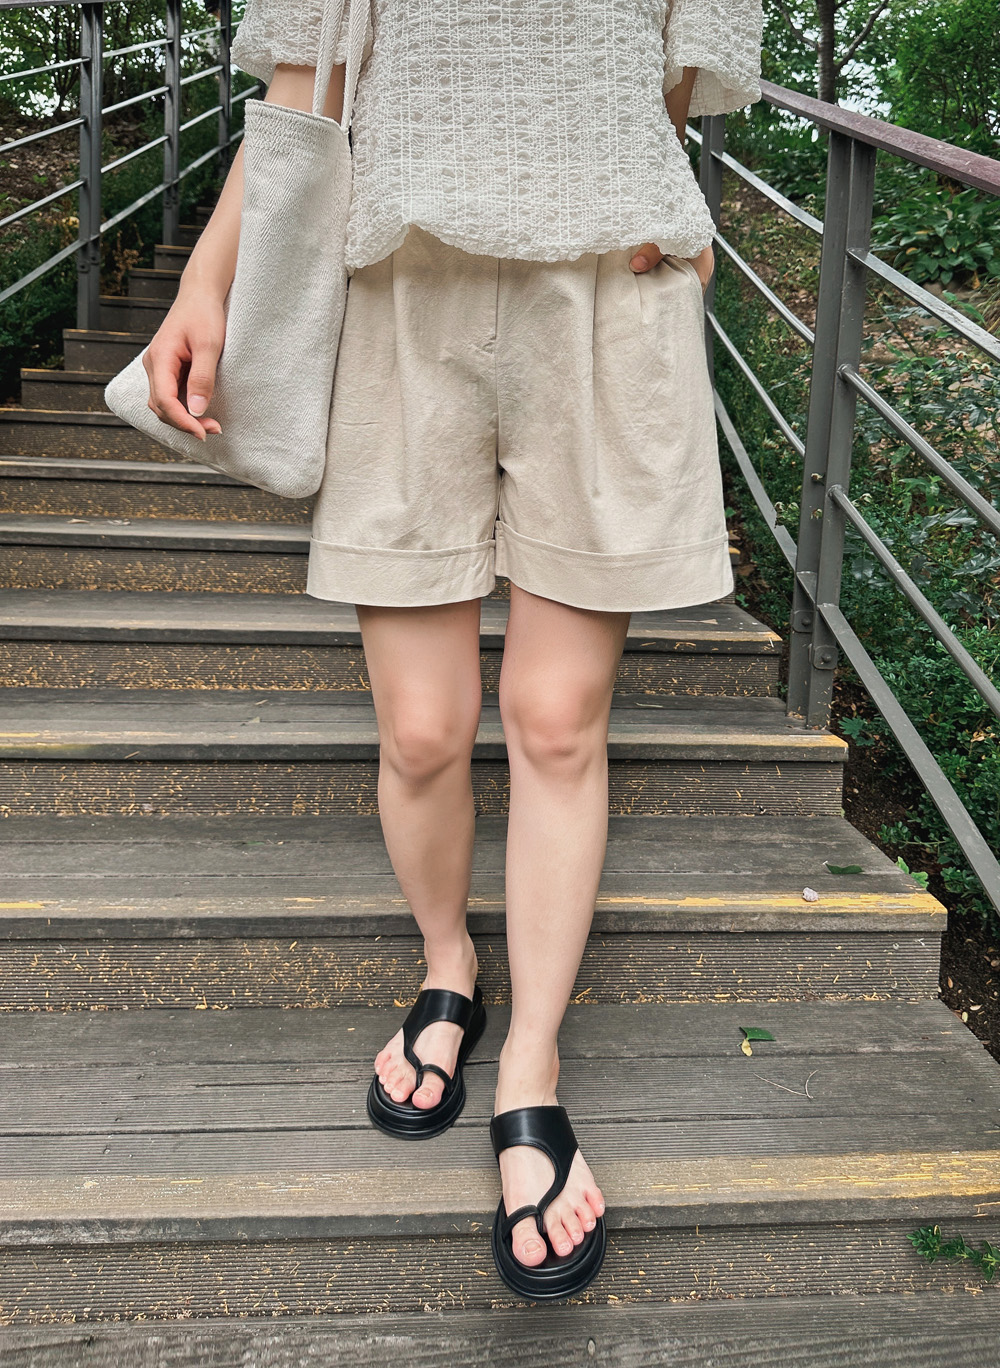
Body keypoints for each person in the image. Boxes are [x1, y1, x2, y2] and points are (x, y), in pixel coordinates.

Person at [141, 0, 763, 1301]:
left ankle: (531, 1063)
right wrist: (204, 282)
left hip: (607, 292)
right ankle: (450, 963)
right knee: (421, 730)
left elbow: (675, 61)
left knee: (556, 719)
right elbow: (304, 83)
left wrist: (663, 198)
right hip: (399, 288)